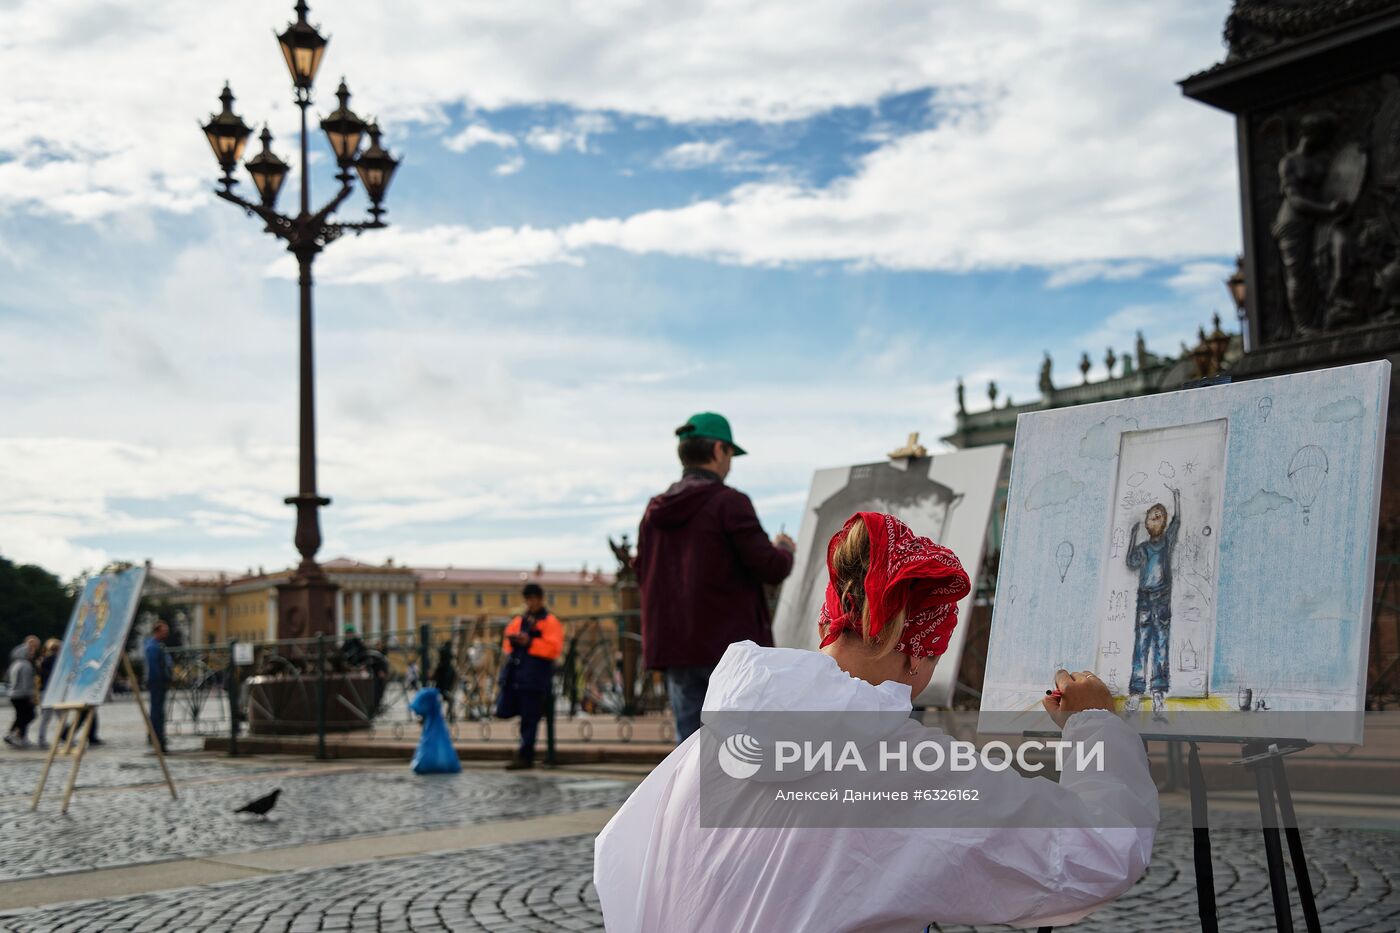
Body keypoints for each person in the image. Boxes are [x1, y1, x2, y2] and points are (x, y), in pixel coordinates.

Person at [595, 512, 1157, 931]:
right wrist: (1094, 725)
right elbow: (1098, 852)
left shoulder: (712, 741)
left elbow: (615, 859)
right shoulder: (903, 766)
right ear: (913, 651)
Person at [637, 412, 795, 742]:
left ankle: (696, 797)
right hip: (730, 652)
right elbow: (770, 567)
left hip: (676, 649)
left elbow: (643, 573)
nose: (730, 465)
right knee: (743, 752)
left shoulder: (654, 512)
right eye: (730, 456)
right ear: (719, 449)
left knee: (691, 753)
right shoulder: (729, 503)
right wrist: (783, 550)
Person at [495, 583, 564, 770]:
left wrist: (530, 642)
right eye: (528, 599)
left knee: (529, 717)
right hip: (516, 676)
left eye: (534, 598)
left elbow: (554, 649)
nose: (531, 602)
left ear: (541, 599)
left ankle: (526, 755)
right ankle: (524, 753)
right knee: (507, 711)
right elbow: (507, 644)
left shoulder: (550, 621)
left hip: (535, 677)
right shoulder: (520, 620)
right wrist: (516, 641)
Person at [1125, 486, 1181, 715]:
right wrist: (1131, 538)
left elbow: (1178, 522)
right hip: (1145, 600)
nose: (1154, 520)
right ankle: (1137, 692)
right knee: (1141, 645)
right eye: (1151, 517)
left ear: (1164, 523)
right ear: (1147, 524)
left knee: (1160, 645)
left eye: (1159, 517)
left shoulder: (1166, 542)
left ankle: (1158, 693)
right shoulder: (1144, 548)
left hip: (1162, 599)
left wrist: (1177, 498)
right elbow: (1130, 561)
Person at [5, 636, 39, 748]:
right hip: (22, 695)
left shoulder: (15, 664)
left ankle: (18, 736)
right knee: (29, 715)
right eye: (29, 651)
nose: (32, 653)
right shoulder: (26, 665)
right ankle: (13, 735)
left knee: (20, 716)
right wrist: (31, 695)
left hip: (13, 694)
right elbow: (26, 683)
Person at [143, 622, 172, 753]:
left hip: (160, 682)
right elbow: (154, 668)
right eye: (164, 631)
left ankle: (157, 736)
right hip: (157, 682)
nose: (166, 633)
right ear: (157, 631)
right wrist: (162, 679)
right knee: (157, 712)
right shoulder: (153, 647)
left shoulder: (159, 645)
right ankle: (157, 737)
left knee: (159, 711)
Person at [35, 638, 60, 748]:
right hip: (54, 691)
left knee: (45, 718)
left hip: (44, 691)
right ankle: (67, 737)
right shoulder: (57, 660)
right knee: (61, 717)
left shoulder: (42, 660)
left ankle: (41, 738)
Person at [432, 642, 458, 723]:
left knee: (450, 699)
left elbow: (435, 677)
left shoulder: (443, 665)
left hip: (441, 688)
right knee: (450, 699)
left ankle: (449, 716)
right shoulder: (446, 665)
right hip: (442, 689)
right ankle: (449, 717)